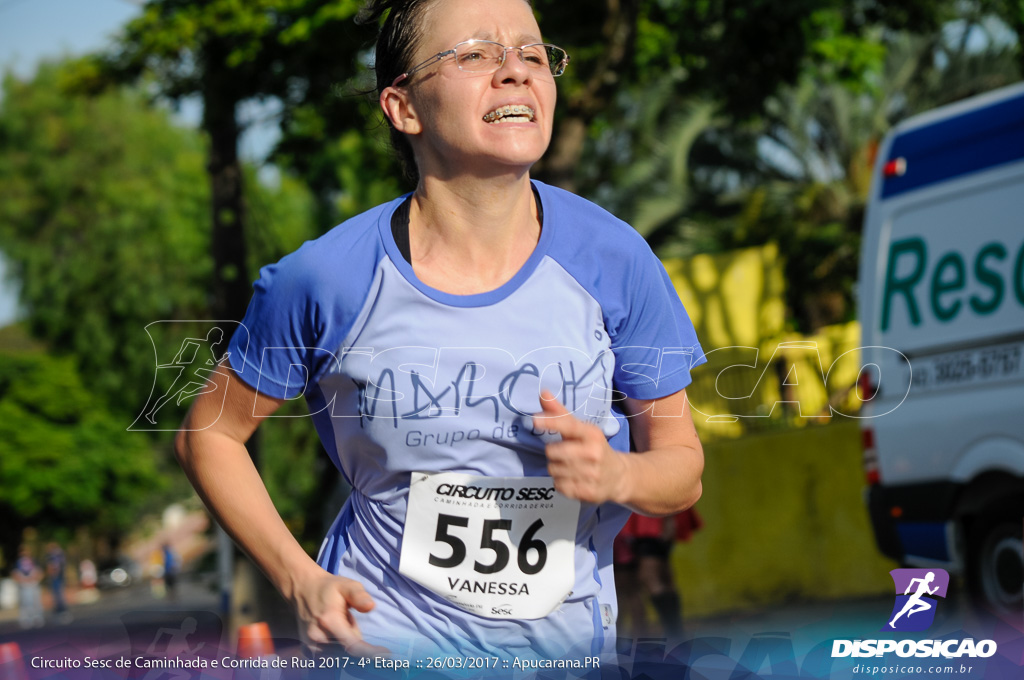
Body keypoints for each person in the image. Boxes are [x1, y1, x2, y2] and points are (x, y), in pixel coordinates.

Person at [175, 0, 704, 660]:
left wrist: (618, 475)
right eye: (475, 54)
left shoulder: (616, 259)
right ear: (403, 108)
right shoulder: (325, 279)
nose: (515, 72)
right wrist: (299, 578)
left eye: (533, 54)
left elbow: (682, 470)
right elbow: (210, 433)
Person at [613, 508, 702, 639]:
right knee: (661, 577)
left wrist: (669, 519)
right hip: (650, 519)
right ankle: (674, 633)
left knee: (649, 578)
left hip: (650, 521)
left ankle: (673, 634)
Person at [12, 546, 45, 629]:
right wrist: (22, 580)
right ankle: (26, 619)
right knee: (25, 602)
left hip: (34, 584)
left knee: (36, 602)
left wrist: (36, 579)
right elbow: (14, 574)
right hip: (24, 585)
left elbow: (40, 572)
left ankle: (37, 617)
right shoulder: (17, 563)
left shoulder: (34, 561)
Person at [44, 542, 71, 624]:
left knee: (58, 595)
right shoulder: (60, 555)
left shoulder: (54, 556)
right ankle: (61, 611)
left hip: (56, 578)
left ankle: (61, 611)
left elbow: (53, 567)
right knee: (59, 594)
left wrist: (52, 573)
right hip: (60, 577)